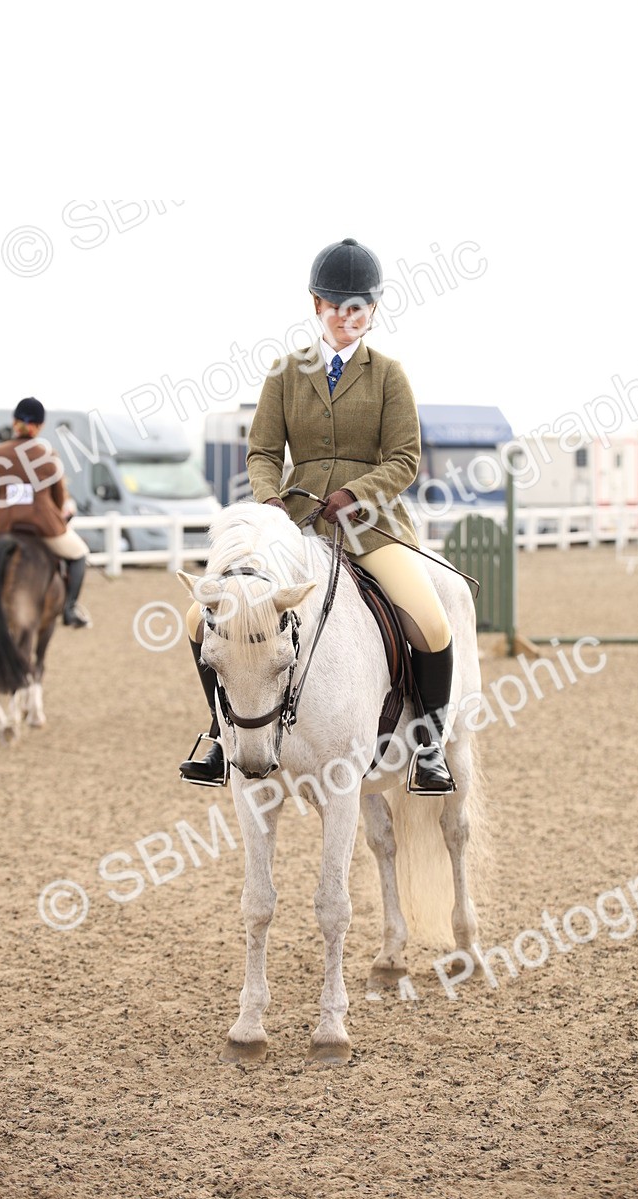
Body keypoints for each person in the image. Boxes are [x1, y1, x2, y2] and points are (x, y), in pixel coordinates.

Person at [179, 237, 455, 793]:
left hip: (372, 527)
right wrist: (271, 502)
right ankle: (219, 731)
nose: (346, 316)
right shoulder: (284, 374)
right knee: (196, 620)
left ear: (372, 311)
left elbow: (405, 458)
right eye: (335, 305)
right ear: (316, 306)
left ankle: (429, 745)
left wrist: (356, 493)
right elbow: (261, 452)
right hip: (295, 526)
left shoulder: (389, 376)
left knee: (432, 621)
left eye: (358, 306)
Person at [0, 397, 91, 627]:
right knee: (80, 553)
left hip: (2, 523)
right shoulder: (48, 454)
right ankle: (70, 608)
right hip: (43, 524)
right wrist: (58, 514)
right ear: (40, 425)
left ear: (14, 422)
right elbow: (59, 497)